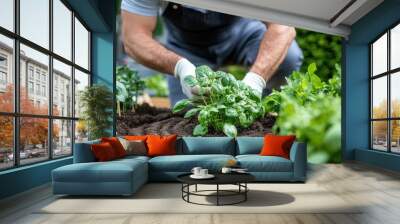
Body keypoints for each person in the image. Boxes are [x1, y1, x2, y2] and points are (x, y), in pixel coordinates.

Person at [121, 0, 303, 106]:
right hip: (186, 48)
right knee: (186, 119)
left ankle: (259, 109)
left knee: (289, 58)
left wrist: (256, 79)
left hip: (241, 34)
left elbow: (283, 27)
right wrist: (180, 67)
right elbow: (133, 37)